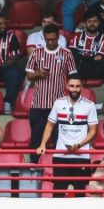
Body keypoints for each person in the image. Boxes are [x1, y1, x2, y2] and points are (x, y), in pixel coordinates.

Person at [36, 75, 99, 197]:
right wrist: (43, 144)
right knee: (58, 194)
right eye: (72, 86)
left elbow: (93, 131)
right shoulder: (58, 103)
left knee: (80, 195)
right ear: (66, 86)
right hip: (61, 155)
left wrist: (79, 145)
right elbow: (49, 125)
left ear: (81, 87)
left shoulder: (89, 105)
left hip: (82, 156)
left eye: (77, 86)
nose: (74, 89)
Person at [26, 23, 78, 163]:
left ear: (58, 38)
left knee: (58, 139)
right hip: (38, 104)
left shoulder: (66, 53)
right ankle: (34, 167)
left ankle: (56, 168)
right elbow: (29, 75)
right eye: (47, 39)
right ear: (43, 38)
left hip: (60, 105)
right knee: (36, 138)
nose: (50, 42)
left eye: (53, 39)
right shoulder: (37, 53)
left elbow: (73, 76)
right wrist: (38, 73)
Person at [71, 9, 104, 83]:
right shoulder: (77, 35)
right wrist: (92, 57)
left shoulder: (103, 37)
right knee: (72, 56)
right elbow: (72, 54)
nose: (92, 24)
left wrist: (83, 56)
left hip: (95, 70)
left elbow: (100, 58)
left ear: (99, 23)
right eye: (89, 21)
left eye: (94, 21)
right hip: (80, 69)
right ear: (85, 24)